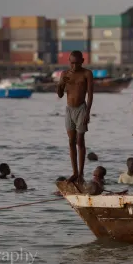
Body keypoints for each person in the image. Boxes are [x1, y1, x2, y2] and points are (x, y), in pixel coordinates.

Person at [56, 50, 94, 183]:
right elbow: (60, 94)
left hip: (81, 108)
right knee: (71, 141)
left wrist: (88, 112)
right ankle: (75, 172)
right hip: (69, 110)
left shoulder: (86, 73)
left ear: (82, 61)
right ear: (69, 62)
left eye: (77, 63)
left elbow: (90, 95)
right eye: (72, 63)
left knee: (80, 141)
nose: (74, 66)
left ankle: (81, 174)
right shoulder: (65, 74)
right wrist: (61, 83)